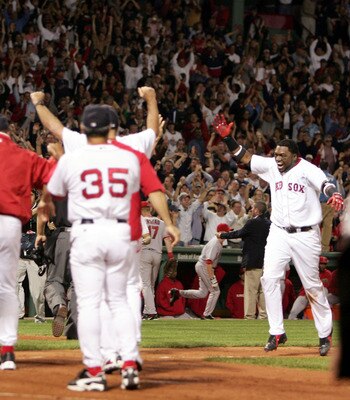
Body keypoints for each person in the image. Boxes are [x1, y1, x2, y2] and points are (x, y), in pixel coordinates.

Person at [46, 104, 180, 392]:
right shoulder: (131, 156)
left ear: (83, 129)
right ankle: (130, 364)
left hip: (87, 230)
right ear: (113, 129)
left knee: (90, 303)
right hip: (121, 232)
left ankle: (95, 369)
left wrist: (59, 159)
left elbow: (53, 194)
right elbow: (155, 190)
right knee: (120, 300)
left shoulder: (74, 157)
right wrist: (169, 223)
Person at [213, 114, 343, 356]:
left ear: (295, 155)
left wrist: (332, 193)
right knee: (269, 279)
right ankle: (277, 332)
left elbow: (325, 183)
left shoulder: (307, 168)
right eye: (276, 154)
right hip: (279, 232)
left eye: (283, 155)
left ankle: (324, 334)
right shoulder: (272, 166)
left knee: (312, 285)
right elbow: (246, 157)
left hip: (306, 235)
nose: (278, 158)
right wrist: (228, 138)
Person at [0, 115, 52, 370]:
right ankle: (7, 352)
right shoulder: (23, 155)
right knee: (7, 287)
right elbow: (54, 176)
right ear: (8, 131)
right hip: (10, 224)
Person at [217, 201, 270, 319]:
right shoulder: (269, 224)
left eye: (253, 208)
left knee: (251, 290)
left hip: (253, 261)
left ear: (257, 210)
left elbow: (238, 233)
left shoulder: (252, 222)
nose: (251, 210)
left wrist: (222, 235)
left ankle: (250, 316)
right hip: (267, 262)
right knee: (263, 291)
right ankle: (263, 316)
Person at [169, 223, 231, 319]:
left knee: (202, 293)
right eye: (227, 232)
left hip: (203, 266)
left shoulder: (218, 242)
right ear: (221, 232)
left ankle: (178, 293)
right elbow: (209, 262)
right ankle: (207, 314)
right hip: (205, 266)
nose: (228, 234)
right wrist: (212, 278)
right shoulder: (215, 243)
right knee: (215, 291)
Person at [140, 201, 174, 320]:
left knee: (145, 284)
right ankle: (147, 310)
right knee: (151, 285)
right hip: (157, 254)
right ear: (149, 209)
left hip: (144, 252)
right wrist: (170, 255)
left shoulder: (140, 220)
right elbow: (167, 240)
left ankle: (151, 311)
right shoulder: (161, 222)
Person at [17, 190, 46, 323]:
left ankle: (40, 316)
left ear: (36, 196)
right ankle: (18, 314)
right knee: (14, 285)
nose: (27, 198)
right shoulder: (18, 209)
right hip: (19, 255)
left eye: (30, 195)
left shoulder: (44, 208)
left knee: (37, 291)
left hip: (36, 257)